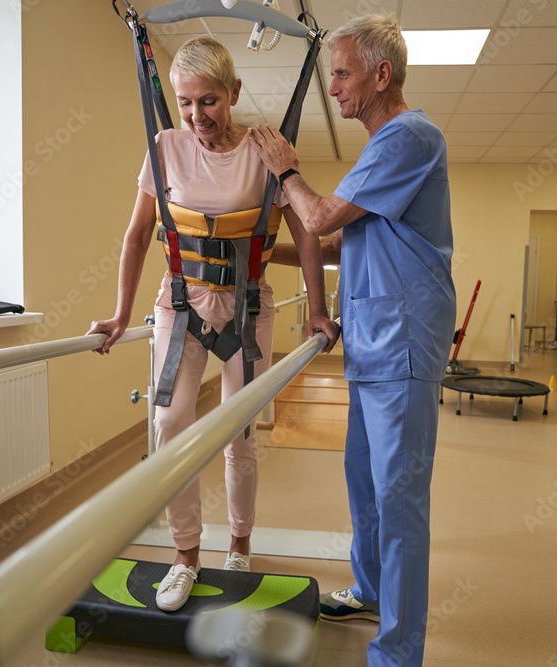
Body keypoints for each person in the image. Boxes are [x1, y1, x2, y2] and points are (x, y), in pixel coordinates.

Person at [87, 36, 338, 613]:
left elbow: (304, 235)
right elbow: (135, 236)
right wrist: (123, 314)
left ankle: (241, 544)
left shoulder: (267, 151)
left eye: (209, 101)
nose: (197, 117)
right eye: (184, 103)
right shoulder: (164, 147)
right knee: (169, 426)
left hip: (247, 307)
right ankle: (184, 556)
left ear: (234, 93)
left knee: (238, 432)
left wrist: (318, 310)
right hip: (180, 303)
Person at [250, 15, 456, 667]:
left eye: (340, 73)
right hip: (373, 347)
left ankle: (397, 653)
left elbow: (318, 215)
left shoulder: (409, 136)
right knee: (364, 484)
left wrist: (285, 171)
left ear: (380, 74)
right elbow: (335, 240)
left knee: (399, 503)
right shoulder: (379, 148)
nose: (333, 88)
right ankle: (369, 592)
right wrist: (262, 254)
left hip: (403, 345)